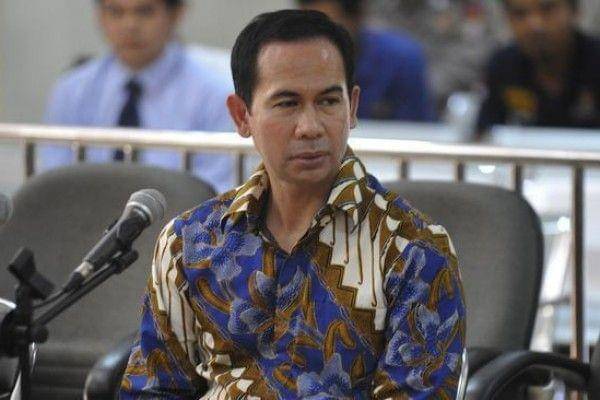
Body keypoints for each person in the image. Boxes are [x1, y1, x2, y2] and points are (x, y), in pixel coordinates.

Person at [120, 9, 465, 399]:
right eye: (287, 103)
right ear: (241, 115)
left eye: (328, 101)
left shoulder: (412, 249)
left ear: (352, 107)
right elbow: (153, 389)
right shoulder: (190, 242)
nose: (310, 127)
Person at [41, 0, 234, 193]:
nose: (130, 25)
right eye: (116, 12)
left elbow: (216, 190)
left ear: (176, 14)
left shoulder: (215, 94)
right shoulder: (72, 90)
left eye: (145, 12)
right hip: (86, 210)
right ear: (99, 15)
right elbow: (53, 182)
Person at [296, 0, 436, 121]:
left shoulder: (402, 60)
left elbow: (416, 131)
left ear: (356, 19)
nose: (313, 39)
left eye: (325, 29)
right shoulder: (294, 62)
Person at [476, 0, 600, 135]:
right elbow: (485, 135)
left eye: (547, 9)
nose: (535, 25)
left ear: (574, 11)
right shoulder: (502, 65)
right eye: (520, 14)